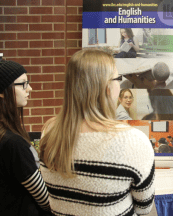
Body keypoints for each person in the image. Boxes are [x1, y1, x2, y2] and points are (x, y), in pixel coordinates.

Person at [39, 49, 155, 215]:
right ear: (107, 88)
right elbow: (144, 209)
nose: (120, 83)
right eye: (118, 78)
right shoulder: (133, 141)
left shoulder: (50, 132)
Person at [0, 60, 51, 215]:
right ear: (2, 92)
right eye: (23, 84)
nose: (30, 88)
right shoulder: (13, 143)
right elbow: (46, 200)